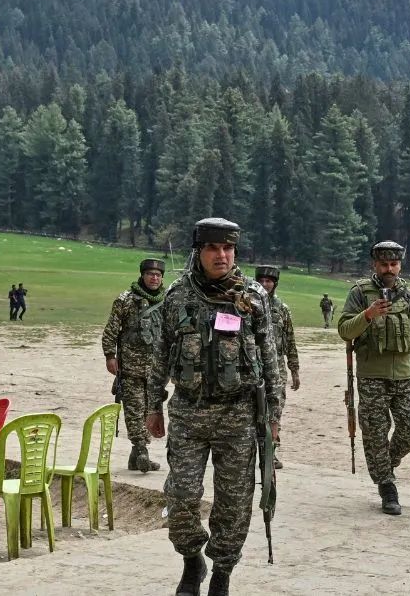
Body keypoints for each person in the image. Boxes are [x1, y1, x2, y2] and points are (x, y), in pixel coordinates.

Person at [147, 218, 282, 596]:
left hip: (238, 414)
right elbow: (161, 353)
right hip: (188, 412)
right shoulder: (177, 295)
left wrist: (274, 415)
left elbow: (270, 359)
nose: (221, 255)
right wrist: (153, 405)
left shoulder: (253, 297)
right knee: (181, 496)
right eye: (212, 248)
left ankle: (222, 571)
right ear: (199, 251)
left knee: (234, 502)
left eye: (228, 248)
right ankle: (192, 559)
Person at [339, 240, 410, 516]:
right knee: (375, 433)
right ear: (374, 265)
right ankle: (387, 486)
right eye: (383, 264)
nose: (389, 269)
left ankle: (387, 462)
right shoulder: (360, 293)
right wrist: (368, 315)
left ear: (400, 265)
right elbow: (344, 331)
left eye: (394, 264)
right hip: (371, 377)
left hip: (405, 375)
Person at [101, 257, 167, 473]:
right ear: (142, 275)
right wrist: (110, 356)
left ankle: (135, 456)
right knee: (134, 409)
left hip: (156, 371)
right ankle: (141, 451)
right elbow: (111, 330)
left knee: (150, 410)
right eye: (150, 274)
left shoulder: (167, 301)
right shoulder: (126, 300)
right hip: (130, 367)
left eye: (158, 275)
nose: (154, 278)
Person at [253, 265, 300, 468]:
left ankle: (270, 453)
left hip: (277, 367)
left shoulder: (282, 309)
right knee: (252, 409)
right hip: (253, 364)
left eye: (269, 281)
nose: (265, 285)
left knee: (275, 410)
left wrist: (294, 369)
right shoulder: (247, 305)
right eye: (261, 281)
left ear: (275, 284)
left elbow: (290, 340)